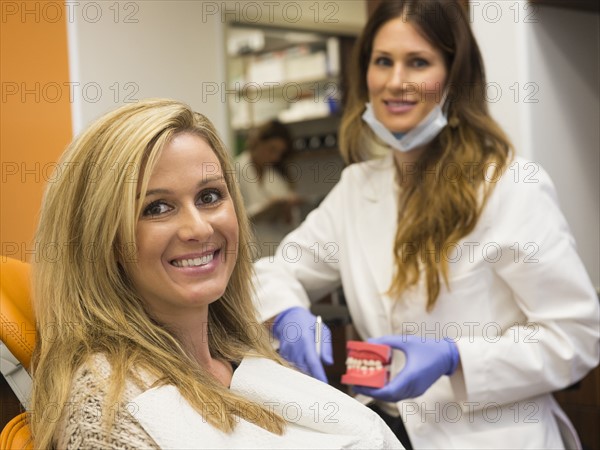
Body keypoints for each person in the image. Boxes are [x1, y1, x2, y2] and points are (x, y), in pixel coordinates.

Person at [252, 1, 600, 449]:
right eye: (383, 62)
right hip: (387, 431)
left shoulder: (510, 187)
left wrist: (455, 358)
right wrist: (287, 314)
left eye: (418, 62)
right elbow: (277, 270)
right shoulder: (359, 189)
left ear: (455, 76)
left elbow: (576, 336)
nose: (396, 82)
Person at [28, 99, 403, 449]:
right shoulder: (106, 411)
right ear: (100, 239)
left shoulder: (238, 358)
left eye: (209, 197)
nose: (200, 229)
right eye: (157, 207)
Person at [235, 120, 303, 257]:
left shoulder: (277, 179)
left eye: (279, 153)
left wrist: (286, 211)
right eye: (272, 149)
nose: (275, 157)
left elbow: (291, 225)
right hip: (247, 253)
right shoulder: (234, 171)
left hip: (275, 250)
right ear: (258, 142)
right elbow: (233, 218)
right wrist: (264, 209)